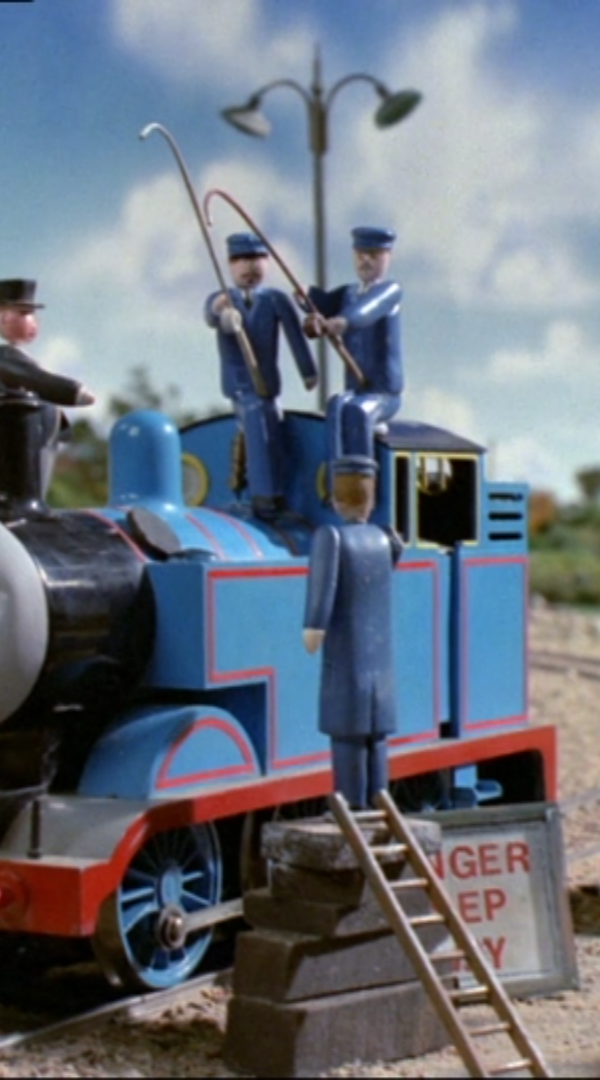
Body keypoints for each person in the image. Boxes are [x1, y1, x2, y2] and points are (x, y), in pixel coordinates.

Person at [302, 476, 399, 811]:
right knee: (376, 738)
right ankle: (379, 797)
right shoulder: (385, 538)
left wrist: (313, 628)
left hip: (346, 658)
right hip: (380, 663)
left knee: (348, 738)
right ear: (370, 501)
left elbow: (322, 592)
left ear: (336, 501)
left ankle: (354, 804)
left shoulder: (331, 537)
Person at [204, 232, 317, 519]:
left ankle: (280, 485)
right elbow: (210, 313)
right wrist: (223, 316)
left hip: (267, 384)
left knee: (273, 419)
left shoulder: (276, 300)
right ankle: (264, 495)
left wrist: (308, 372)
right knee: (256, 415)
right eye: (240, 260)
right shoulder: (225, 299)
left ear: (267, 262)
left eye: (256, 259)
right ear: (230, 265)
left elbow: (295, 338)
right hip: (239, 386)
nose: (249, 267)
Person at [306, 226, 403, 520]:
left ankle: (362, 497)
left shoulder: (390, 292)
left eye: (374, 255)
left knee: (358, 413)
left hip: (384, 393)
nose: (366, 261)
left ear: (387, 256)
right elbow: (322, 302)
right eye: (361, 254)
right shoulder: (348, 293)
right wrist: (306, 302)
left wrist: (340, 323)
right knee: (337, 405)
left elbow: (366, 312)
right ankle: (335, 485)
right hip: (358, 389)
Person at [0, 279, 95, 510]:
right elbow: (40, 380)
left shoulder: (17, 357)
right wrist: (75, 391)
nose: (33, 321)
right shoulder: (4, 358)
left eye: (32, 314)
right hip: (20, 448)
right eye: (24, 313)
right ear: (3, 318)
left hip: (39, 442)